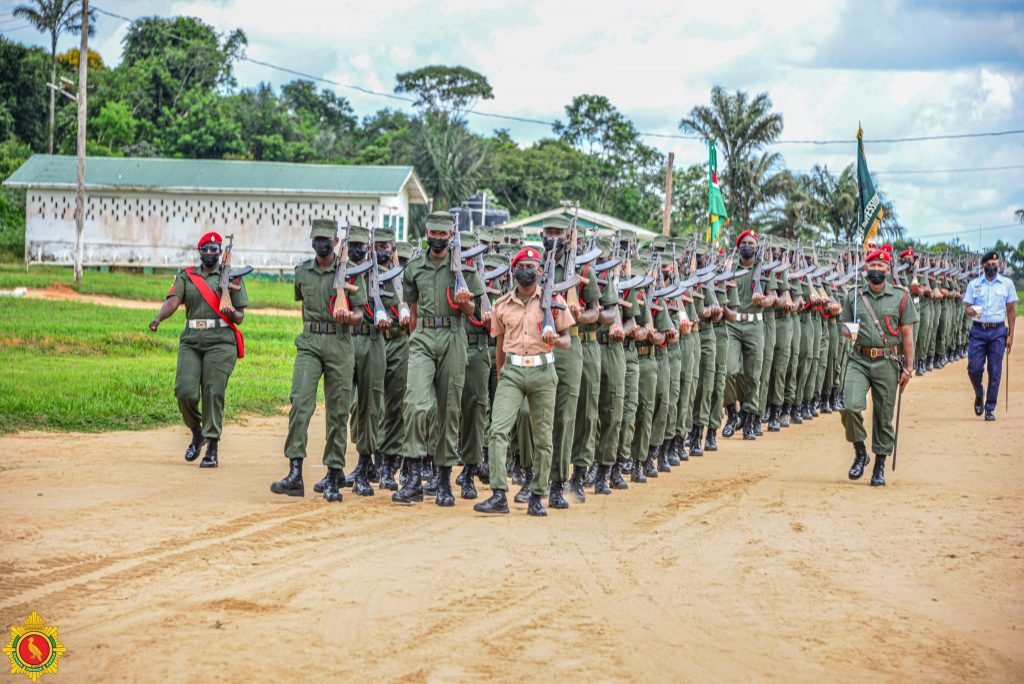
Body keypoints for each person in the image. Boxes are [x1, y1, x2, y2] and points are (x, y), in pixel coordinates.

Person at [474, 247, 575, 516]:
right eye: (522, 265)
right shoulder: (502, 305)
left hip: (542, 371)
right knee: (497, 430)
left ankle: (537, 495)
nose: (527, 269)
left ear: (540, 271)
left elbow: (568, 340)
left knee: (542, 437)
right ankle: (498, 494)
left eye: (532, 265)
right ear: (514, 270)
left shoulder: (554, 301)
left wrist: (555, 339)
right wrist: (501, 374)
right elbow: (499, 345)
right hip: (512, 372)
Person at [392, 211, 484, 506]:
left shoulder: (464, 269)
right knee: (415, 404)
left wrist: (466, 303)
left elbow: (478, 312)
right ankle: (413, 476)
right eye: (434, 232)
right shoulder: (415, 267)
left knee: (449, 409)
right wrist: (413, 336)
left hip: (453, 336)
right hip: (423, 337)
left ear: (451, 236)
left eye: (444, 234)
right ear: (427, 232)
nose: (438, 238)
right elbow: (413, 307)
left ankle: (444, 480)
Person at [270, 219, 364, 501]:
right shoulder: (303, 273)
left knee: (337, 411)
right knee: (300, 402)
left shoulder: (351, 273)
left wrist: (349, 317)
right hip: (310, 342)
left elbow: (362, 314)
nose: (321, 243)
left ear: (336, 242)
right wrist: (310, 332)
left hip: (340, 341)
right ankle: (295, 471)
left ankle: (334, 472)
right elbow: (303, 307)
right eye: (316, 238)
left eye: (326, 239)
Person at [149, 231, 247, 469]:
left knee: (213, 391)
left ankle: (212, 446)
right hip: (192, 340)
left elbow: (240, 316)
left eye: (216, 249)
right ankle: (197, 432)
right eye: (207, 249)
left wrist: (230, 311)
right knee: (185, 391)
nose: (211, 253)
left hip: (221, 341)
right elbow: (173, 301)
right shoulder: (187, 276)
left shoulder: (232, 277)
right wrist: (158, 319)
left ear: (221, 252)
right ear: (200, 251)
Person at [839, 247, 918, 487]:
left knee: (884, 416)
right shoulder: (854, 295)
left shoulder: (900, 296)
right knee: (850, 406)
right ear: (865, 269)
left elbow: (907, 334)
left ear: (888, 270)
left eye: (880, 267)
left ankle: (879, 465)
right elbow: (842, 327)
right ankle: (860, 451)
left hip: (887, 361)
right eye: (872, 267)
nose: (876, 271)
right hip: (859, 359)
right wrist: (847, 330)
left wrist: (908, 369)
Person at [963, 251, 1017, 421]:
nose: (992, 265)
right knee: (974, 369)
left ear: (999, 265)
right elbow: (967, 309)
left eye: (995, 263)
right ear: (983, 265)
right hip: (978, 330)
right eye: (989, 263)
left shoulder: (1007, 284)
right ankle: (979, 393)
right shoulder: (974, 284)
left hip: (998, 332)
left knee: (995, 371)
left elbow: (1011, 311)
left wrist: (1011, 336)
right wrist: (972, 311)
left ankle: (990, 408)